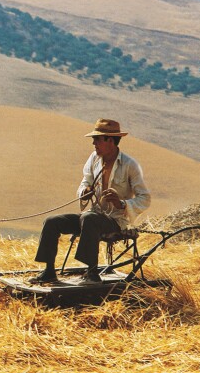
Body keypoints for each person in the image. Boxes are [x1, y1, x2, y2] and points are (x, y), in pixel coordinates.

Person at [31, 118, 151, 284]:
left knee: (89, 219)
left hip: (115, 221)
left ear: (110, 140)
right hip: (92, 217)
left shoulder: (130, 165)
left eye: (97, 139)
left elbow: (145, 198)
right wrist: (84, 192)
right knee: (52, 221)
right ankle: (49, 271)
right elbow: (85, 182)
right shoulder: (94, 158)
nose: (93, 143)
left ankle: (92, 273)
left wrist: (121, 204)